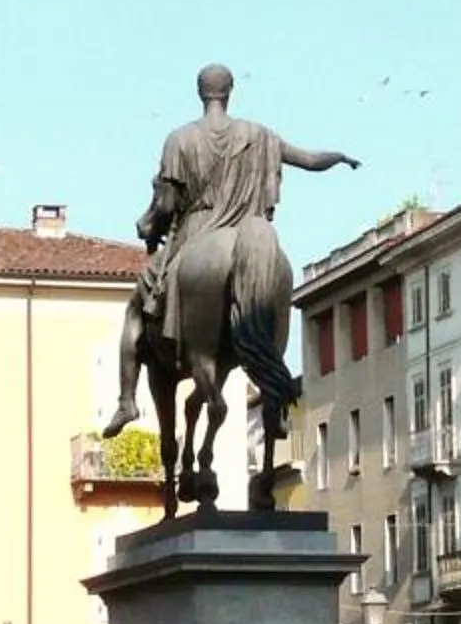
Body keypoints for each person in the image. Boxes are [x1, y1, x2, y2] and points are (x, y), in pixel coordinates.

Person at [104, 65, 356, 437]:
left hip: (195, 234)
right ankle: (274, 390)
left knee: (137, 309)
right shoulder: (260, 135)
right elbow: (309, 159)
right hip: (251, 233)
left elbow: (167, 202)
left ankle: (127, 401)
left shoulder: (180, 139)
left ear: (200, 92)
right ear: (231, 91)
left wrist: (147, 225)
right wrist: (339, 156)